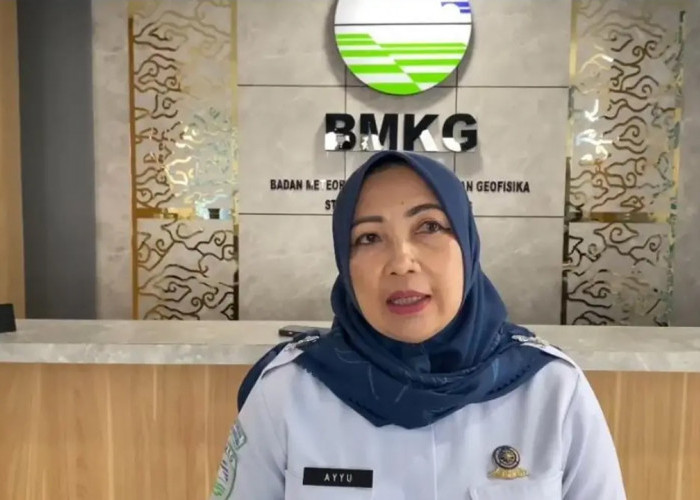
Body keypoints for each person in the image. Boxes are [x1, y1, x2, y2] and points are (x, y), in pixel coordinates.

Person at [210, 151, 626, 499]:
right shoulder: (287, 393)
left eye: (429, 227)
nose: (402, 262)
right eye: (369, 237)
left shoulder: (551, 391)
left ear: (467, 245)